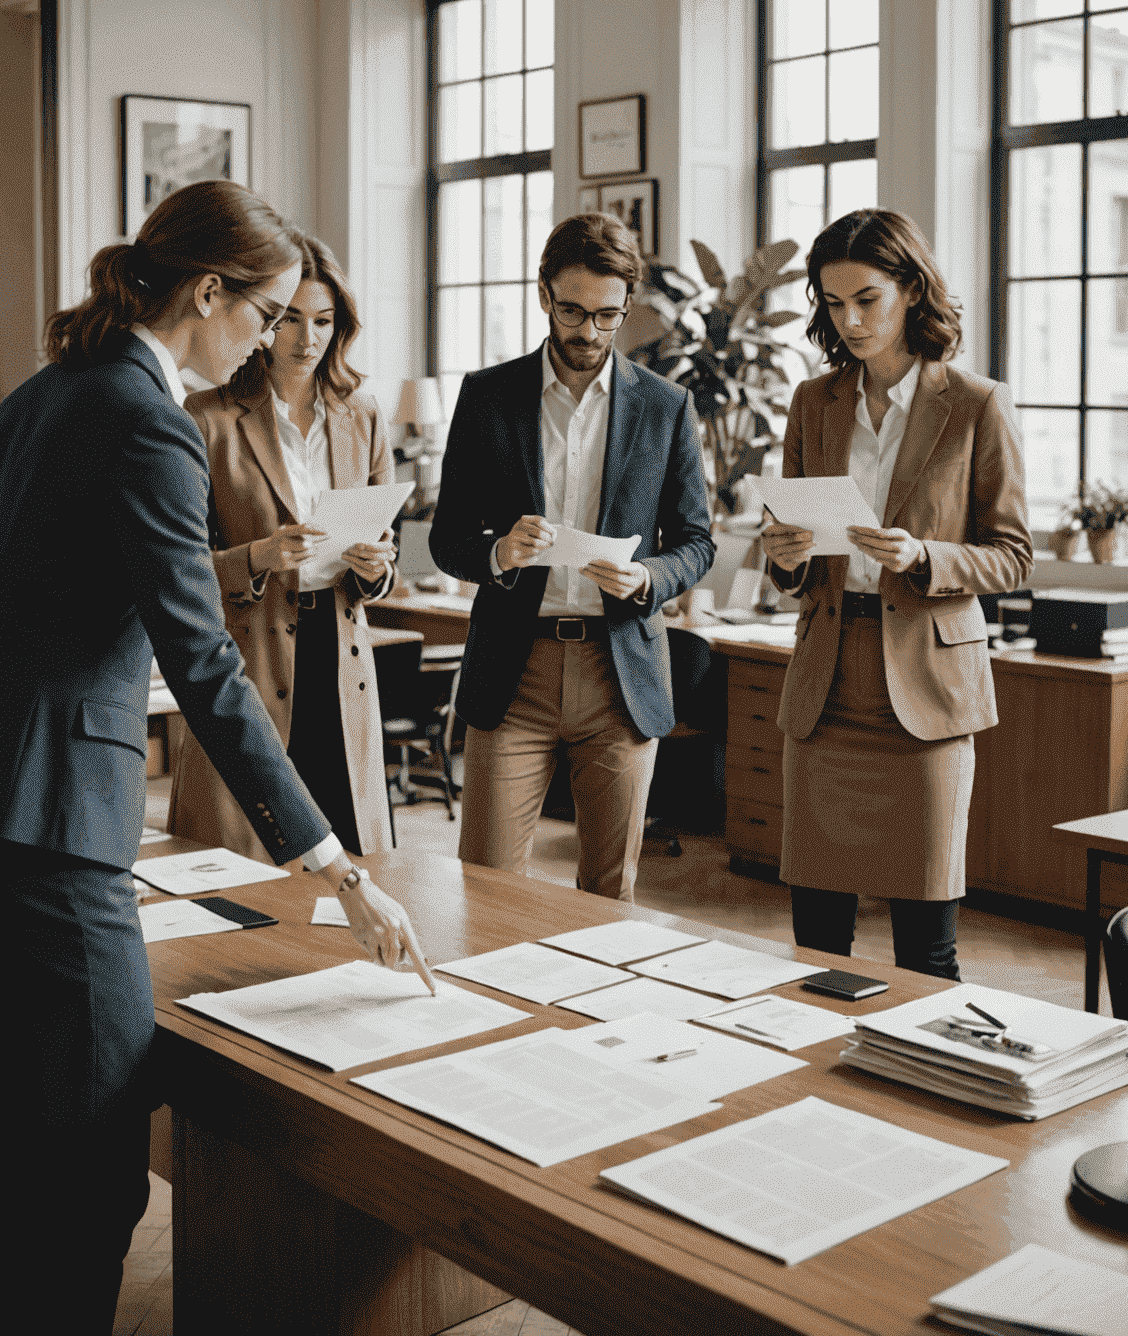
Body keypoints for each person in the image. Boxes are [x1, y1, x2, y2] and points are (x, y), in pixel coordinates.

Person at [0, 180, 429, 1335]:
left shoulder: (46, 394)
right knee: (91, 1155)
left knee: (38, 1145)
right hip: (46, 833)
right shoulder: (150, 421)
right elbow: (206, 666)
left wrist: (31, 695)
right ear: (206, 293)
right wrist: (333, 863)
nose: (273, 338)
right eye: (267, 312)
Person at [760, 208, 1032, 981]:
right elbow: (792, 553)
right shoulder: (814, 403)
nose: (848, 319)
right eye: (833, 302)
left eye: (867, 299)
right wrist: (785, 555)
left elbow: (1012, 557)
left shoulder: (977, 404)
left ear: (912, 290)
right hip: (825, 689)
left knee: (926, 948)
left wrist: (923, 556)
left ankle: (934, 1090)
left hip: (925, 698)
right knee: (815, 947)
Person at [430, 213, 715, 903]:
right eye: (572, 310)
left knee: (608, 893)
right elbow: (446, 539)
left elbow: (697, 540)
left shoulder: (666, 407)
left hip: (618, 671)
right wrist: (498, 551)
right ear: (542, 295)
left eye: (608, 316)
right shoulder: (487, 396)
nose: (588, 331)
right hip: (513, 671)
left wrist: (650, 576)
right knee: (489, 885)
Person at [168, 230, 396, 863]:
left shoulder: (364, 415)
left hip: (342, 662)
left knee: (346, 853)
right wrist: (258, 557)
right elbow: (177, 571)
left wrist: (377, 568)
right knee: (243, 861)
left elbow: (385, 548)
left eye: (323, 321)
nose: (307, 338)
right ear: (265, 322)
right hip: (250, 657)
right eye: (290, 318)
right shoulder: (206, 416)